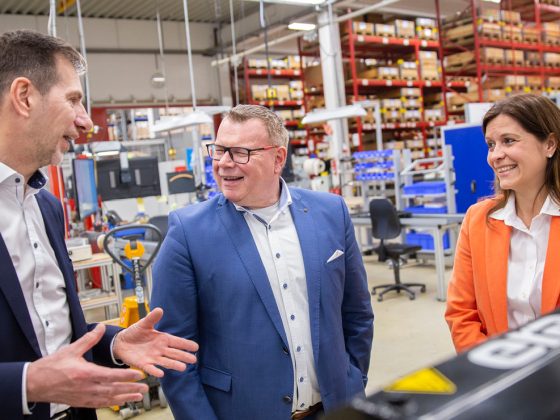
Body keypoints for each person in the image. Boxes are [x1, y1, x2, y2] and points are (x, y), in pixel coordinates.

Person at [0, 29, 199, 420]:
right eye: (73, 99)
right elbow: (35, 367)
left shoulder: (46, 207)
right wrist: (27, 383)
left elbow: (52, 331)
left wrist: (114, 342)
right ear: (24, 96)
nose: (85, 121)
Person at [151, 104, 374, 420]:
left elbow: (357, 313)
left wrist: (352, 378)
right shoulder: (188, 232)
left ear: (278, 159)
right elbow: (172, 351)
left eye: (241, 152)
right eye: (219, 150)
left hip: (335, 408)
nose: (225, 164)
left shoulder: (331, 213)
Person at [445, 93, 560, 353]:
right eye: (490, 145)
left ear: (550, 144)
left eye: (508, 141)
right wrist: (495, 370)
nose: (495, 155)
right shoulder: (478, 221)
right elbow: (461, 313)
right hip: (501, 373)